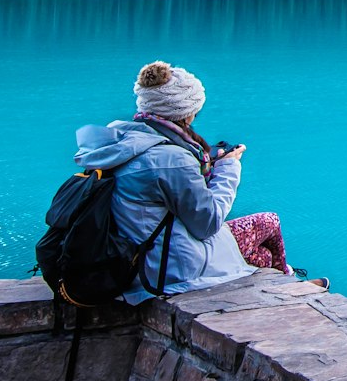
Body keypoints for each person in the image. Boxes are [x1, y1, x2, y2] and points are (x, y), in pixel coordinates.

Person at [72, 60, 314, 303]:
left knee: (260, 254)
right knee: (269, 222)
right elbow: (207, 223)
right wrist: (229, 167)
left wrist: (208, 163)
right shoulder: (170, 159)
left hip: (134, 256)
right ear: (185, 111)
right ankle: (292, 288)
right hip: (168, 268)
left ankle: (287, 286)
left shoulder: (122, 141)